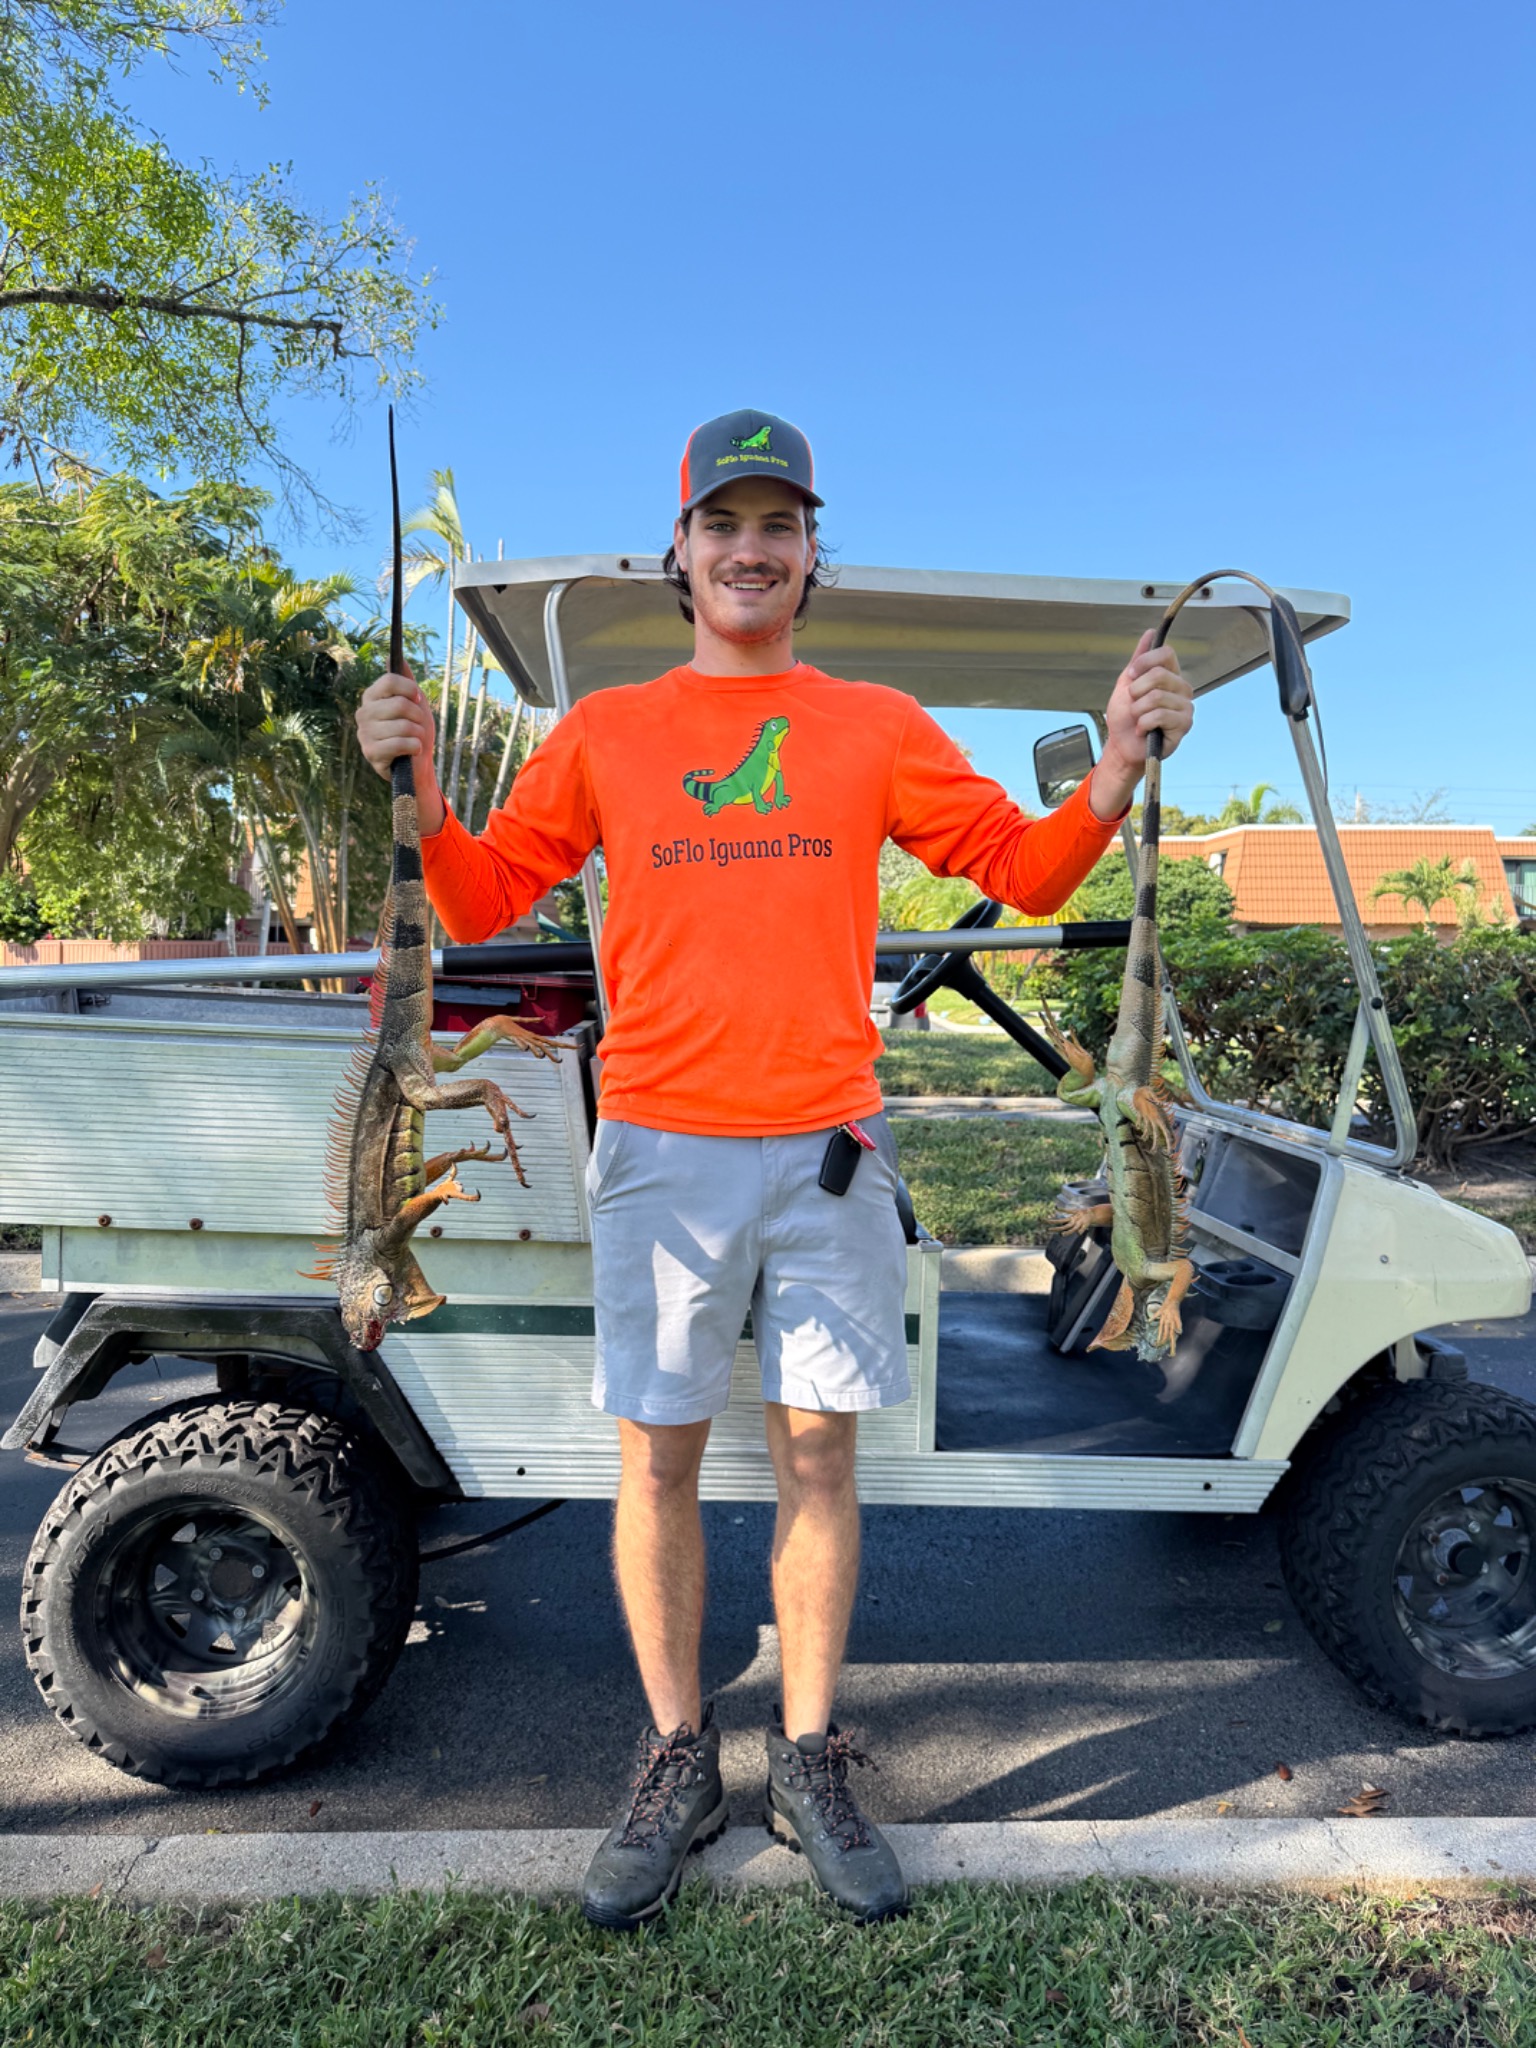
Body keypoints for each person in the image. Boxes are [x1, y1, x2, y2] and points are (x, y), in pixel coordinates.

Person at [355, 409, 1194, 1928]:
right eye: (724, 523)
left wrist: (1120, 765)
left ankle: (809, 1759)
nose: (752, 549)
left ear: (813, 553)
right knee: (658, 1459)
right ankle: (677, 1758)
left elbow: (1022, 868)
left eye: (779, 525)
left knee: (821, 1460)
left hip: (827, 1157)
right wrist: (414, 784)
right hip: (663, 1149)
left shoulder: (874, 720)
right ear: (681, 552)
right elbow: (478, 897)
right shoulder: (608, 729)